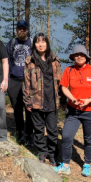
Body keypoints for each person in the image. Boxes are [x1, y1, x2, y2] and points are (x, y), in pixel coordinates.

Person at [55, 44, 91, 177]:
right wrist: (72, 98)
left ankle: (87, 164)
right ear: (73, 57)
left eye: (81, 54)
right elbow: (64, 88)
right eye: (76, 55)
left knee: (89, 140)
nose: (79, 57)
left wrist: (89, 100)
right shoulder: (69, 70)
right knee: (66, 136)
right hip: (73, 111)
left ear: (86, 57)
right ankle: (65, 166)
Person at [23, 33, 63, 166]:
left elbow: (60, 81)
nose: (40, 44)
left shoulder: (54, 59)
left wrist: (62, 99)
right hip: (36, 101)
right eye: (37, 42)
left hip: (51, 100)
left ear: (47, 43)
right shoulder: (30, 60)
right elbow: (26, 82)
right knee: (39, 129)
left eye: (43, 41)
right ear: (34, 44)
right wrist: (27, 100)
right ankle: (41, 152)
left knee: (52, 130)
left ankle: (52, 154)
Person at [6, 20, 34, 145]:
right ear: (16, 30)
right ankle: (20, 132)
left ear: (27, 30)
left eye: (23, 28)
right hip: (14, 80)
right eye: (19, 29)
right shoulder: (12, 43)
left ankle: (29, 134)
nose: (21, 31)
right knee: (17, 108)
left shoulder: (32, 43)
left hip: (30, 81)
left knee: (30, 108)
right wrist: (6, 79)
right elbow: (6, 62)